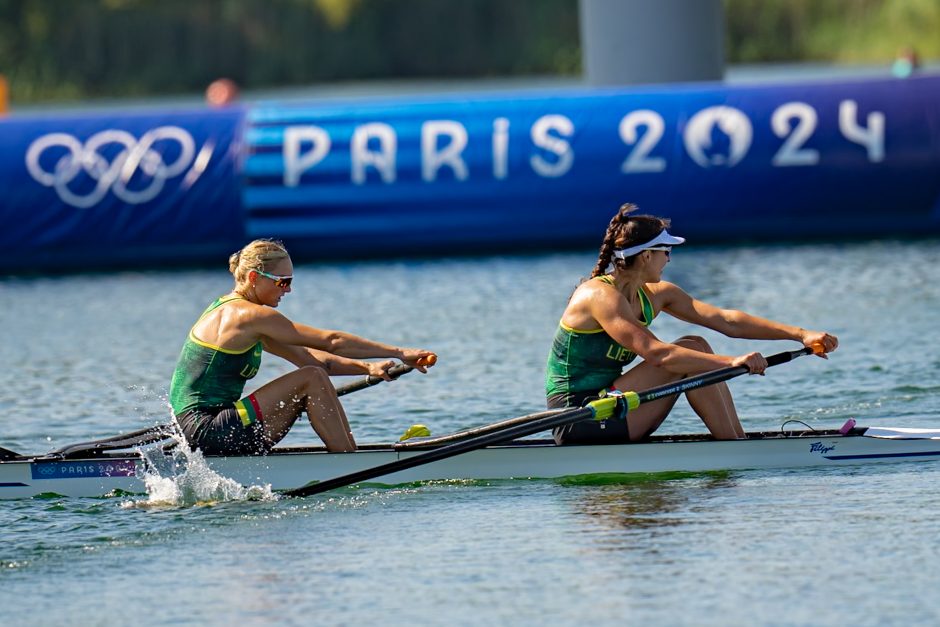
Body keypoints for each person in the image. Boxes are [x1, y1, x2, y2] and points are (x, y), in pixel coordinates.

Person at [545, 203, 838, 444]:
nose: (669, 260)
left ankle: (737, 442)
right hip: (578, 417)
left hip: (613, 406)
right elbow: (658, 354)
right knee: (684, 355)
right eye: (666, 252)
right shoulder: (598, 295)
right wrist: (732, 362)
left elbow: (727, 321)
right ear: (647, 255)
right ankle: (737, 451)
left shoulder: (657, 295)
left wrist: (800, 334)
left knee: (695, 345)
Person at [169, 239, 436, 455]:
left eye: (290, 281)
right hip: (207, 428)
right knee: (311, 379)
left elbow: (316, 360)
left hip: (203, 429)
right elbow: (332, 342)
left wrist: (369, 367)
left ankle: (348, 456)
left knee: (313, 373)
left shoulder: (235, 313)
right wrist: (399, 352)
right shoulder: (248, 315)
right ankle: (349, 463)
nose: (287, 289)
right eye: (282, 281)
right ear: (253, 277)